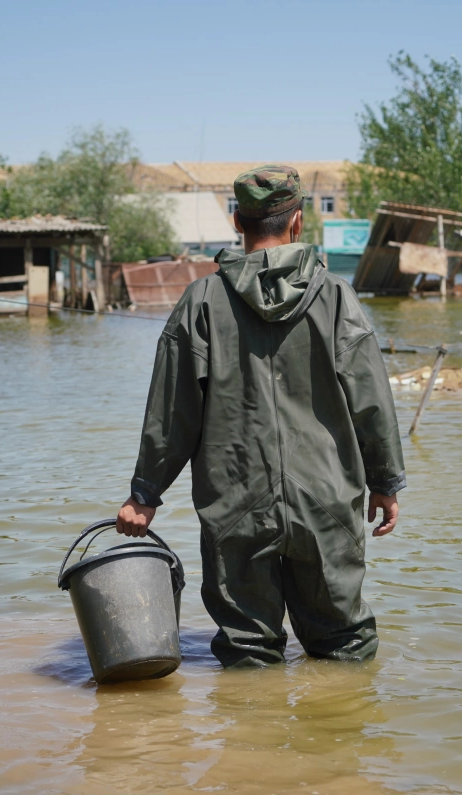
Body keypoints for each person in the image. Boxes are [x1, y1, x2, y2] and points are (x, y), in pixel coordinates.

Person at [116, 165, 406, 667]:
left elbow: (173, 410)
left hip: (236, 506)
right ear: (297, 223)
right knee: (345, 644)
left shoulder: (201, 301)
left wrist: (145, 495)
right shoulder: (336, 297)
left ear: (236, 221)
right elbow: (371, 400)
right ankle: (344, 737)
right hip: (326, 504)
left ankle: (253, 742)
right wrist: (386, 481)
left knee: (248, 651)